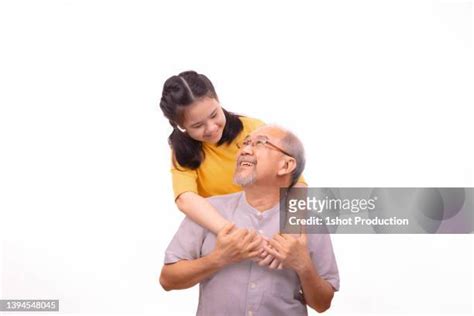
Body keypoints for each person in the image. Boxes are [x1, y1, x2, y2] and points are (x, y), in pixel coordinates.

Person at [160, 125, 339, 315]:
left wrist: (304, 266)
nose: (244, 150)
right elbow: (167, 280)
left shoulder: (310, 223)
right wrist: (218, 258)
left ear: (286, 165)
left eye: (260, 143)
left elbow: (322, 303)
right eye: (245, 143)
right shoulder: (206, 211)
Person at [159, 70, 306, 268]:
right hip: (227, 239)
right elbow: (186, 199)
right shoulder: (183, 152)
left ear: (218, 100)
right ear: (181, 126)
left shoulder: (254, 130)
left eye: (214, 115)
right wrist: (234, 234)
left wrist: (290, 233)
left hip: (274, 228)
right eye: (197, 125)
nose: (211, 128)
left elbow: (298, 183)